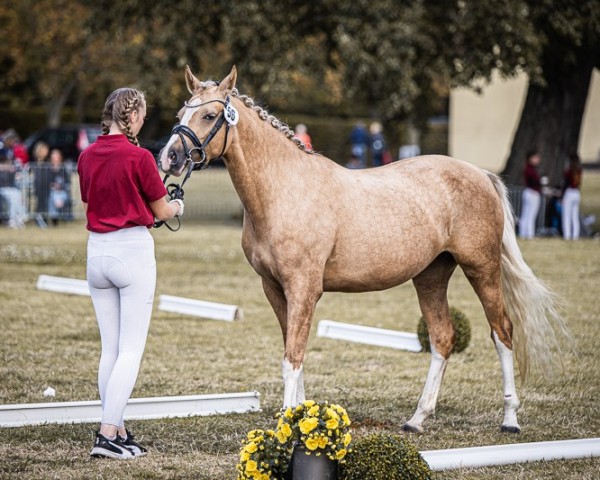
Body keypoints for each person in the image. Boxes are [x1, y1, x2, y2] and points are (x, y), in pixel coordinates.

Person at [78, 87, 184, 460]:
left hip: (97, 253)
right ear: (133, 115)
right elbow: (161, 210)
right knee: (130, 350)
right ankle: (107, 434)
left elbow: (93, 198)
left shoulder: (87, 155)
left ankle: (117, 428)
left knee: (111, 348)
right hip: (131, 251)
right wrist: (176, 205)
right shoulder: (139, 157)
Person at [518, 150, 542, 239]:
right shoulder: (529, 170)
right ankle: (528, 234)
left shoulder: (530, 169)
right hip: (532, 193)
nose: (538, 159)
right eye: (535, 157)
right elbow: (535, 182)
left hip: (530, 193)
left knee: (527, 215)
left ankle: (525, 233)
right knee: (529, 215)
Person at [0, 153, 26, 228]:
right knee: (14, 196)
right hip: (2, 189)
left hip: (10, 189)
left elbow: (19, 169)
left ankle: (19, 218)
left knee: (18, 194)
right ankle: (12, 219)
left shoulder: (12, 169)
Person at [561, 153, 583, 240]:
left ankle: (567, 235)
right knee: (575, 216)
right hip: (577, 193)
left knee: (566, 215)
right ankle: (575, 235)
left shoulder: (569, 171)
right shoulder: (579, 171)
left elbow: (565, 184)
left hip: (569, 192)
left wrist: (562, 195)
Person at [47, 148, 71, 226]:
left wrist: (60, 186)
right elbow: (47, 183)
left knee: (59, 196)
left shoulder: (64, 169)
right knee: (52, 197)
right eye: (53, 157)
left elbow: (67, 182)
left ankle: (57, 216)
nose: (55, 159)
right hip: (52, 191)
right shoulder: (48, 168)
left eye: (57, 157)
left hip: (62, 191)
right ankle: (54, 218)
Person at [32, 141, 50, 227]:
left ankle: (43, 219)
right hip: (39, 186)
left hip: (45, 185)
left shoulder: (46, 162)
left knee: (44, 203)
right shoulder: (37, 162)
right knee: (40, 203)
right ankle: (38, 218)